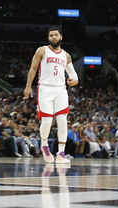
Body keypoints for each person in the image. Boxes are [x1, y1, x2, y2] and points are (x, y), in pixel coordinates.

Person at [24, 27, 79, 164]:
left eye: (56, 35)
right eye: (51, 35)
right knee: (47, 121)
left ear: (61, 37)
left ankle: (61, 153)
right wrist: (28, 86)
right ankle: (44, 144)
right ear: (49, 38)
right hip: (45, 88)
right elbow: (33, 68)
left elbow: (74, 75)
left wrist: (75, 81)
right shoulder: (42, 50)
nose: (54, 37)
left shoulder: (66, 55)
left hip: (61, 90)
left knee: (62, 121)